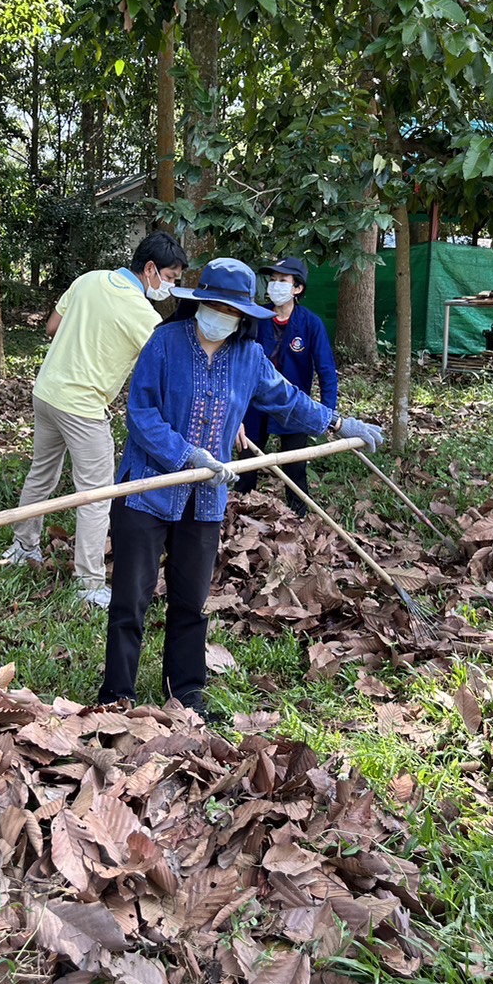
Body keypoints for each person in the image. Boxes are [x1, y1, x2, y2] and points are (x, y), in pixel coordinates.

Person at [98, 258, 385, 717]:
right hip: (146, 491)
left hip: (206, 499)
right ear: (197, 304)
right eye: (212, 305)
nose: (219, 316)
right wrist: (187, 454)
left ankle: (186, 692)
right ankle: (116, 696)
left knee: (191, 601)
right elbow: (141, 413)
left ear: (242, 315)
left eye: (230, 310)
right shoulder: (164, 343)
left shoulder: (248, 356)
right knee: (132, 599)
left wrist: (336, 423)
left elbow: (288, 401)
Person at [4, 230, 189, 608]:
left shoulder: (89, 279)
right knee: (95, 494)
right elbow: (163, 368)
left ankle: (23, 546)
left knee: (42, 472)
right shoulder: (143, 315)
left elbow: (52, 327)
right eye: (169, 279)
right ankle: (88, 583)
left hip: (47, 392)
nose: (169, 289)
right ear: (150, 269)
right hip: (84, 407)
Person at [233, 256, 338, 516]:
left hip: (295, 406)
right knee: (246, 463)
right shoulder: (256, 318)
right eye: (272, 280)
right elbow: (236, 363)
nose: (275, 285)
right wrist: (233, 407)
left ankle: (298, 514)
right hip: (253, 405)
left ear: (297, 288)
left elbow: (326, 369)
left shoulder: (311, 324)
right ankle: (240, 514)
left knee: (295, 466)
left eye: (283, 280)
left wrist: (326, 413)